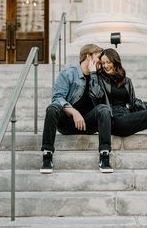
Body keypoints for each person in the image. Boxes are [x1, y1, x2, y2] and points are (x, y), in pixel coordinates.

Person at [40, 44, 113, 174]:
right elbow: (57, 97)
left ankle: (104, 155)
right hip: (67, 123)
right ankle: (47, 155)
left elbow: (98, 96)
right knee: (52, 108)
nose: (101, 61)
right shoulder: (68, 74)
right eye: (98, 57)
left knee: (103, 109)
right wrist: (74, 112)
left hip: (89, 124)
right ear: (88, 56)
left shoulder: (98, 75)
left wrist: (94, 75)